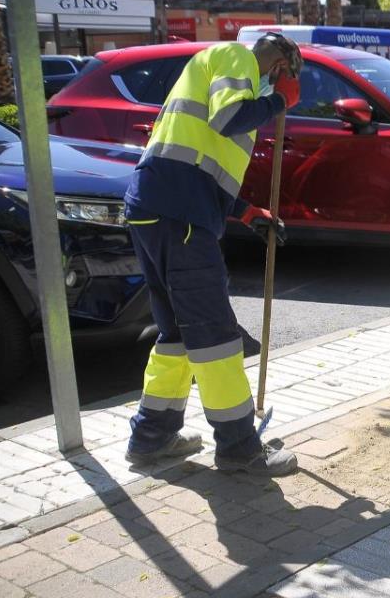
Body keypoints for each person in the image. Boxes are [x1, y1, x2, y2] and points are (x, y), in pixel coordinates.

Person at [122, 33, 303, 476]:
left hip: (156, 208)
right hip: (180, 216)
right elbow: (228, 119)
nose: (275, 85)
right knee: (215, 334)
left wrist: (246, 214)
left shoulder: (218, 72)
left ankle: (151, 438)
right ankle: (239, 447)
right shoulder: (236, 57)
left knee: (177, 336)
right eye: (282, 76)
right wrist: (278, 102)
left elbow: (200, 161)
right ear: (278, 63)